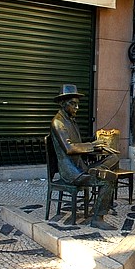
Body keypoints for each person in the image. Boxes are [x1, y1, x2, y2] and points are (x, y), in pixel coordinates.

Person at [50, 84, 119, 230]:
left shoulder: (70, 120)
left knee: (114, 158)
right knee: (108, 180)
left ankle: (97, 170)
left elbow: (79, 146)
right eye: (73, 104)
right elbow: (69, 148)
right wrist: (92, 146)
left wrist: (96, 145)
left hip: (80, 167)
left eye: (77, 104)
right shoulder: (58, 122)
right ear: (63, 103)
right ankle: (97, 218)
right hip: (72, 173)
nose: (77, 108)